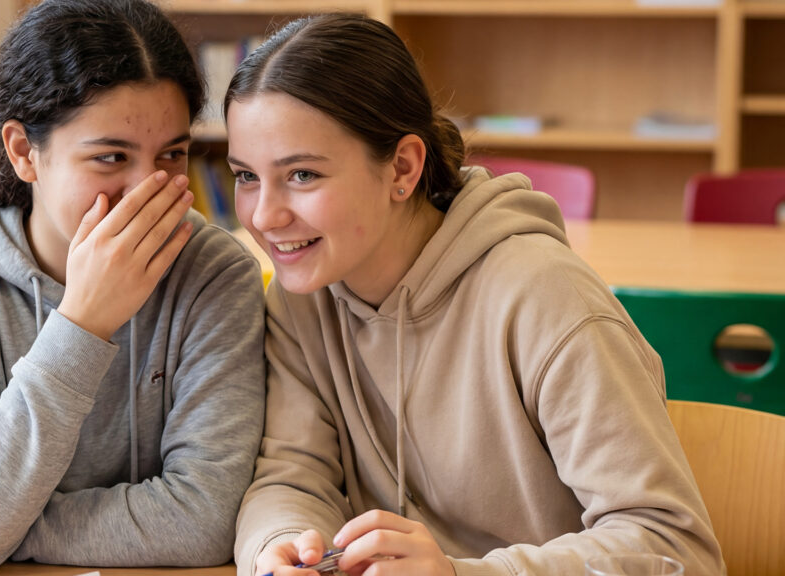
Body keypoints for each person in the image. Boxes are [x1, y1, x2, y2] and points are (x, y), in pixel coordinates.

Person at [225, 14, 724, 576]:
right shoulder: (302, 298)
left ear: (403, 168)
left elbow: (676, 550)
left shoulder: (546, 301)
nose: (263, 216)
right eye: (245, 176)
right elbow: (291, 473)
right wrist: (283, 542)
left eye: (302, 176)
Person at [0, 1, 265, 574]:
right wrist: (81, 323)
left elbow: (204, 520)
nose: (146, 191)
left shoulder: (214, 273)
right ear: (24, 151)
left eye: (172, 155)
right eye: (110, 157)